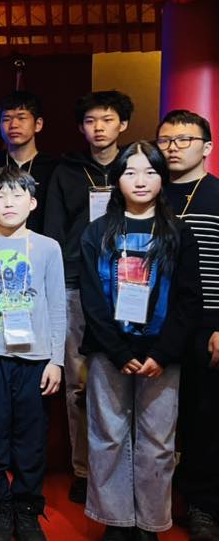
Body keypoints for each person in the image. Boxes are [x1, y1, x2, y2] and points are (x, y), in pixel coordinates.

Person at [79, 142, 199, 540]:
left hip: (162, 354)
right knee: (108, 436)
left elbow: (189, 299)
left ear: (162, 178)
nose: (140, 180)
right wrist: (117, 351)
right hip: (109, 352)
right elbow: (91, 298)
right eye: (130, 172)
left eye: (150, 172)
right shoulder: (98, 231)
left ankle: (149, 523)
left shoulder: (178, 232)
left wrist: (162, 352)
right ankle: (116, 521)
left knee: (157, 441)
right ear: (117, 180)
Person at [0, 166, 66, 541]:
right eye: (0, 195)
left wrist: (56, 360)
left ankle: (26, 508)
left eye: (17, 194)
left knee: (31, 439)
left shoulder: (48, 247)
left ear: (32, 203)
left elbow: (57, 305)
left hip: (35, 358)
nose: (9, 202)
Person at [42, 90, 133, 504]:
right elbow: (55, 231)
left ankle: (123, 468)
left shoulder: (137, 166)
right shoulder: (66, 171)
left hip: (128, 286)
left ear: (123, 125)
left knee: (124, 380)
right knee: (77, 384)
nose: (99, 128)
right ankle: (84, 469)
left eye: (108, 119)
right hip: (76, 284)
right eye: (91, 121)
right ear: (81, 127)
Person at [158, 110, 219, 540]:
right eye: (165, 140)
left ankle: (202, 505)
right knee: (154, 421)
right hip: (155, 325)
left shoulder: (216, 194)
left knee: (205, 418)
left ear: (207, 147)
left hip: (207, 327)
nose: (173, 148)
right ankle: (149, 504)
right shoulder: (148, 191)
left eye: (184, 139)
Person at [0, 91, 60, 232]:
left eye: (21, 118)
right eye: (6, 119)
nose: (13, 125)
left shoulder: (56, 169)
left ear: (38, 124)